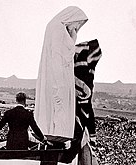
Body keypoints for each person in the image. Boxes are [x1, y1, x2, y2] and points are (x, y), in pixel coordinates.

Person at [35, 6, 88, 138]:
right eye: (77, 25)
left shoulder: (55, 27)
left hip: (58, 75)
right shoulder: (58, 29)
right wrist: (59, 84)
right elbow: (59, 56)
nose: (77, 28)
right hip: (59, 77)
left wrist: (72, 36)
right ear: (72, 18)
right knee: (60, 109)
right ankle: (58, 135)